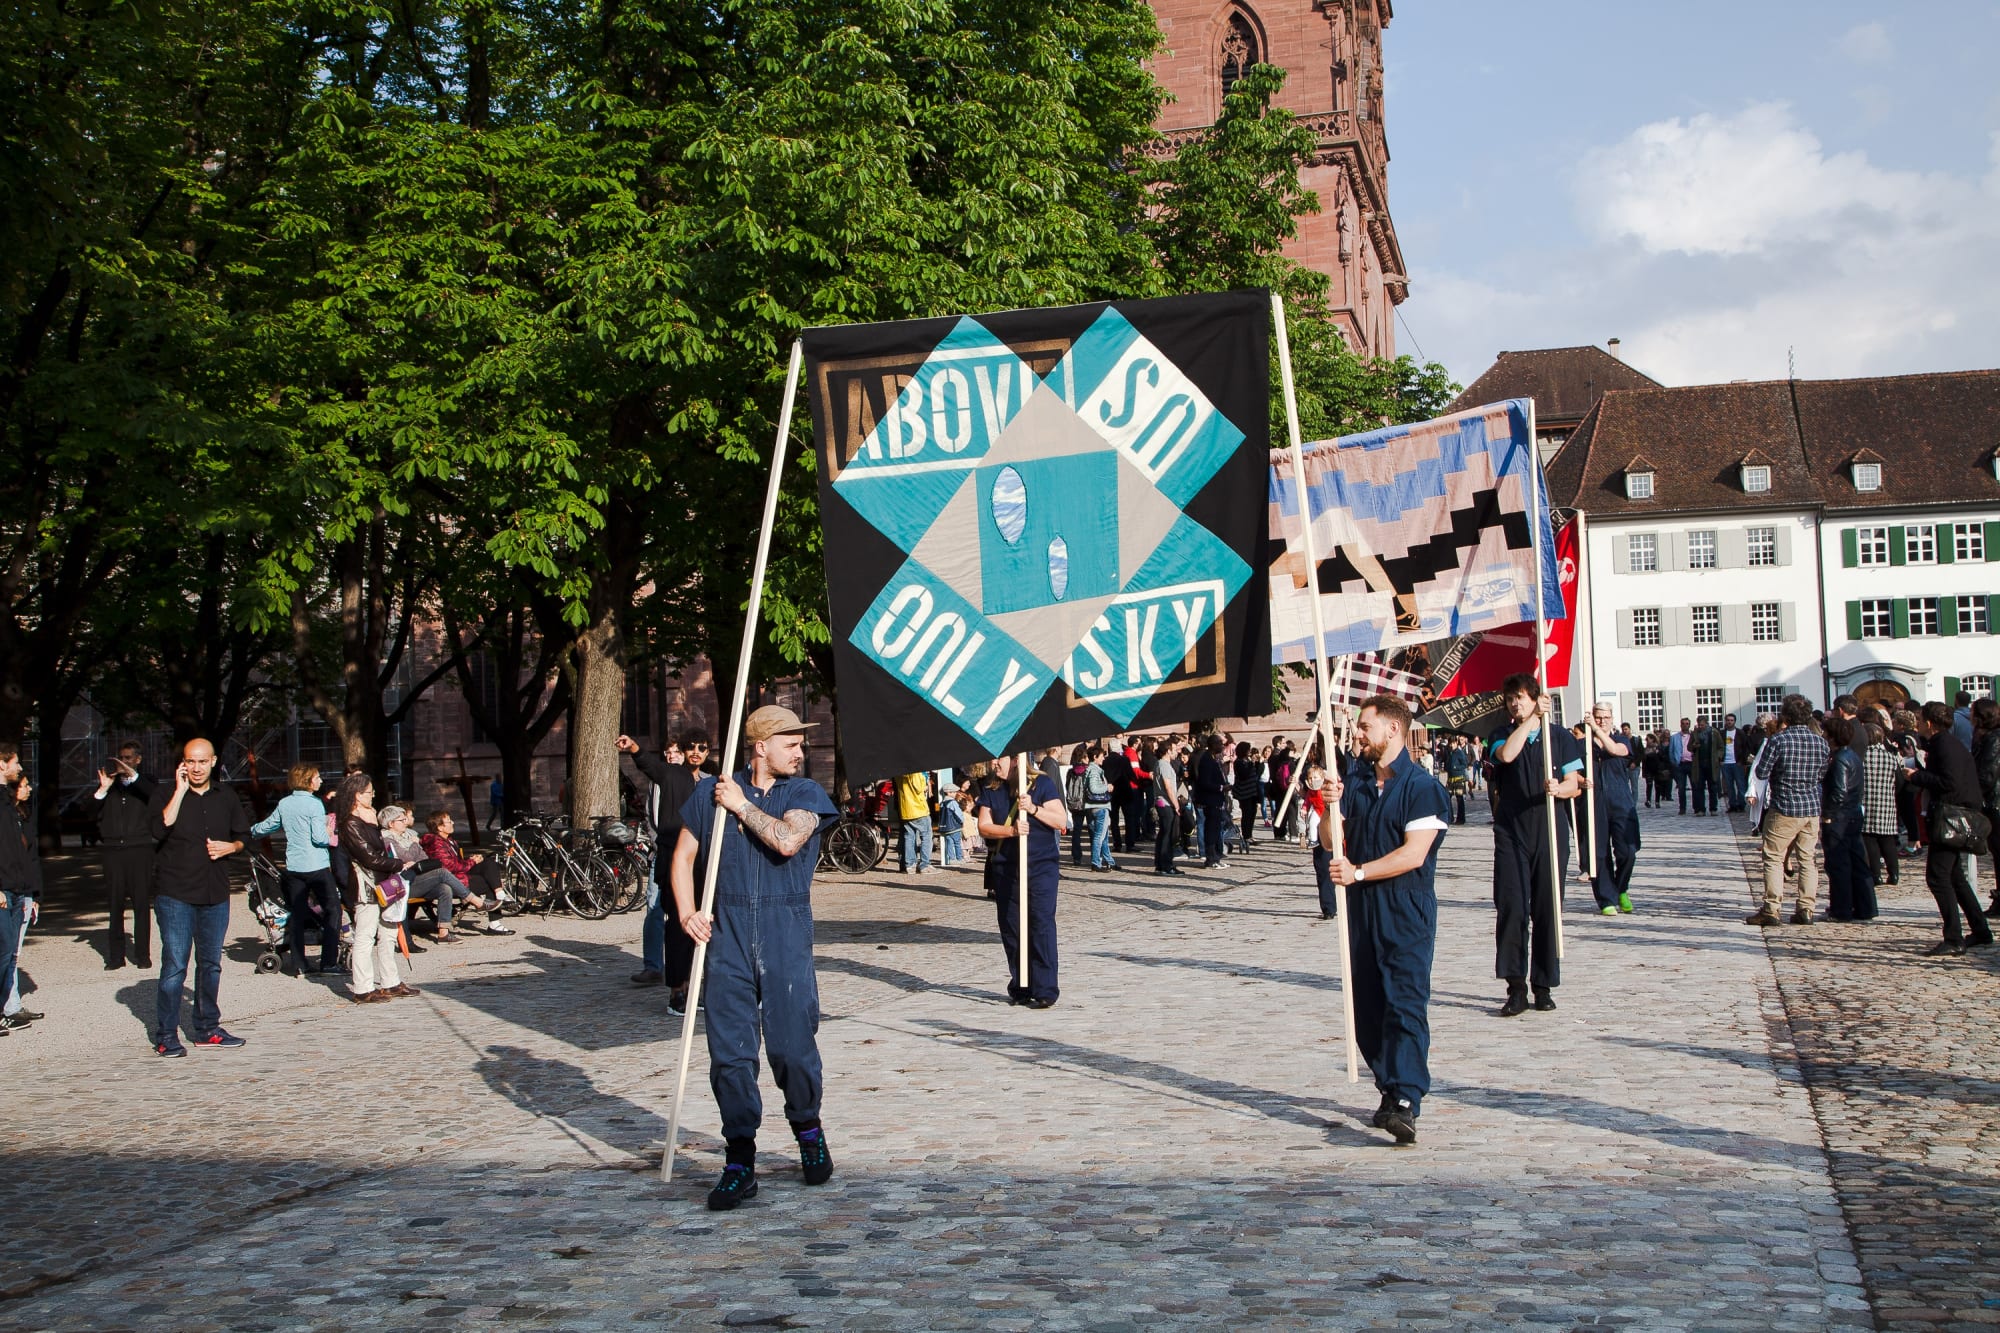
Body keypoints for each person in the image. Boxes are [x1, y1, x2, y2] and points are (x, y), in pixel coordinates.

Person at [670, 705, 839, 1211]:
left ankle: (807, 1131)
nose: (800, 750)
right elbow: (682, 858)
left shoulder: (804, 793)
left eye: (801, 743)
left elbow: (788, 841)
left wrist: (741, 806)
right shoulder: (710, 793)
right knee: (731, 1055)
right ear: (761, 746)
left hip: (786, 929)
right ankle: (739, 1161)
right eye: (791, 742)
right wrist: (686, 912)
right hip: (728, 935)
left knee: (791, 1047)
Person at [1318, 695, 1450, 1145]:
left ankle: (1408, 1098)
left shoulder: (1422, 787)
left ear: (1392, 730)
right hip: (1362, 912)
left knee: (1405, 1003)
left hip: (1404, 908)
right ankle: (1390, 1087)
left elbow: (1414, 855)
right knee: (1368, 1007)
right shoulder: (1354, 781)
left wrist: (1358, 872)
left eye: (1364, 726)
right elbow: (1330, 840)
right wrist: (1328, 805)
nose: (1357, 733)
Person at [148, 738, 251, 1054]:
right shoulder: (165, 793)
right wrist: (179, 792)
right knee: (176, 964)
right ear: (182, 763)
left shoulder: (226, 795)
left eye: (202, 762)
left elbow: (243, 837)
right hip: (175, 893)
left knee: (210, 964)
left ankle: (207, 1027)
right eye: (190, 761)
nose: (195, 768)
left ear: (213, 761)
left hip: (215, 892)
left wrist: (230, 847)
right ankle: (166, 1034)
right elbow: (159, 829)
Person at [1488, 674, 1582, 1016]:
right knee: (1512, 907)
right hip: (1512, 831)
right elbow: (1508, 756)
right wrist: (1528, 721)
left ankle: (1543, 984)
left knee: (1547, 908)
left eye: (1522, 698)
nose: (1515, 703)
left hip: (1550, 829)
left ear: (1536, 697)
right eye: (1511, 699)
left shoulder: (1560, 739)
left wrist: (1561, 789)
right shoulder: (1501, 734)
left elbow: (1576, 784)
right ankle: (1515, 987)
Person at [976, 752, 1066, 1007]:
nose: (994, 764)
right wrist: (1011, 831)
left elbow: (1060, 820)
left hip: (1041, 866)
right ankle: (1021, 986)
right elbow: (984, 825)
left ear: (1016, 759)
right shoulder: (992, 788)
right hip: (1007, 868)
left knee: (1041, 923)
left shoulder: (1041, 784)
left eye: (999, 759)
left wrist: (1034, 809)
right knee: (1012, 927)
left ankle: (1046, 989)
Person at [1905, 700, 1993, 955]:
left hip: (1951, 818)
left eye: (1921, 720)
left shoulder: (1944, 745)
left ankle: (1953, 937)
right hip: (1951, 815)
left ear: (1930, 723)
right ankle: (1980, 930)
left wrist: (1916, 776)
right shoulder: (1944, 743)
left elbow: (1949, 782)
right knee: (1955, 877)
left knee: (1938, 877)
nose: (1918, 724)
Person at [620, 733, 701, 1008]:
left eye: (702, 748)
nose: (695, 752)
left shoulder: (708, 781)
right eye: (690, 747)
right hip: (670, 856)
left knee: (697, 924)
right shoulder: (670, 775)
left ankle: (691, 987)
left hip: (698, 860)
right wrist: (634, 748)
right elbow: (648, 765)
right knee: (676, 923)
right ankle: (676, 991)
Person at [1746, 695, 1830, 927]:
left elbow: (1761, 772)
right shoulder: (1820, 742)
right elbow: (1822, 773)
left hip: (1785, 805)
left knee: (1773, 856)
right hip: (1811, 807)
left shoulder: (1779, 740)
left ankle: (1772, 909)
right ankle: (1806, 908)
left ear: (1787, 716)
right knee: (1807, 859)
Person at [249, 764, 340, 974]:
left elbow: (268, 825)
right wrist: (328, 831)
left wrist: (249, 832)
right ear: (308, 780)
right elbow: (318, 838)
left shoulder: (285, 803)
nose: (320, 781)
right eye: (317, 777)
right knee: (333, 909)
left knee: (297, 915)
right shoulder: (315, 804)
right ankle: (328, 962)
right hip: (316, 864)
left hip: (295, 866)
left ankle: (299, 963)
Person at [333, 773, 414, 1004]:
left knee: (388, 933)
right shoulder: (350, 823)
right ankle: (363, 987)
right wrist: (399, 864)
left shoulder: (368, 819)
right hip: (365, 884)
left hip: (383, 880)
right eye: (369, 792)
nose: (373, 795)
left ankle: (390, 981)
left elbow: (379, 850)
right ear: (357, 796)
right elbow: (368, 857)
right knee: (366, 935)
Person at [94, 741, 158, 969]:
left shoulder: (146, 782)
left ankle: (142, 955)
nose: (124, 762)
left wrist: (132, 775)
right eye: (121, 757)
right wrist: (102, 789)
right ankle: (116, 956)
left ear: (138, 760)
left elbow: (155, 796)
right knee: (115, 904)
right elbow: (90, 813)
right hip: (113, 852)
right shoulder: (111, 786)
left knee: (141, 904)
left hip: (139, 850)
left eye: (129, 758)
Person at [380, 805, 477, 943]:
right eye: (402, 820)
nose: (406, 822)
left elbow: (424, 858)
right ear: (391, 824)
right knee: (442, 872)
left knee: (445, 888)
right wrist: (414, 846)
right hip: (403, 883)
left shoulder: (410, 835)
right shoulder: (388, 839)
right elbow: (405, 857)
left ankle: (443, 932)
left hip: (417, 877)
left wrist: (413, 857)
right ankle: (473, 899)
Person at [0, 745, 42, 1038]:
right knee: (3, 953)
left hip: (16, 887)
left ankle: (8, 1008)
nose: (20, 768)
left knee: (9, 954)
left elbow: (21, 851)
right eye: (15, 763)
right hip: (4, 889)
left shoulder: (7, 802)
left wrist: (30, 892)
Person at [1584, 703, 1640, 916]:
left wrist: (1596, 730)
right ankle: (1606, 898)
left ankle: (1621, 887)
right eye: (1598, 717)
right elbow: (1571, 769)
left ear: (1612, 718)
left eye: (1606, 717)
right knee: (1598, 853)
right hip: (1594, 801)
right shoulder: (1585, 745)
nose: (1602, 721)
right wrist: (1581, 780)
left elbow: (1616, 751)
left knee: (1628, 851)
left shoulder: (1622, 740)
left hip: (1620, 801)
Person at [1821, 718, 1876, 922]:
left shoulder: (1840, 758)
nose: (1824, 737)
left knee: (1839, 865)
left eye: (1826, 734)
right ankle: (1865, 907)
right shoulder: (1852, 756)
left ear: (1833, 737)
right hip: (1853, 813)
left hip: (1840, 817)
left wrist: (1827, 814)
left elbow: (1839, 791)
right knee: (1857, 862)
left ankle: (1841, 909)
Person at [418, 811, 509, 933]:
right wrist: (472, 862)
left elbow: (456, 863)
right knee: (489, 882)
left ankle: (499, 892)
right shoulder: (435, 843)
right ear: (440, 827)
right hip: (451, 880)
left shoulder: (448, 840)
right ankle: (495, 923)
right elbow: (449, 866)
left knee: (488, 863)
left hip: (459, 874)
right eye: (449, 821)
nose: (453, 823)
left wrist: (472, 860)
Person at [1860, 724, 1905, 890]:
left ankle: (1876, 874)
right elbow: (1900, 781)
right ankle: (1894, 874)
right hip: (1886, 802)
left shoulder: (1862, 756)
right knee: (1887, 840)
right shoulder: (1890, 756)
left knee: (1870, 839)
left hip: (1866, 802)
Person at [1191, 735, 1231, 869]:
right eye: (1220, 743)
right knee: (1211, 830)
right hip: (1210, 800)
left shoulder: (1215, 759)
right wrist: (1221, 787)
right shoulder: (1206, 760)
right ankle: (1211, 858)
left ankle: (1216, 857)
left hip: (1217, 799)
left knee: (1216, 829)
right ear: (1213, 745)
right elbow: (1204, 782)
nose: (1222, 746)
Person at [1152, 740, 1187, 875]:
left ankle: (1160, 864)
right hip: (1166, 803)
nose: (1176, 752)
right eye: (1173, 749)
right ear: (1167, 751)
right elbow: (1168, 787)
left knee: (1163, 833)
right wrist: (1176, 804)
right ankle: (1166, 864)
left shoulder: (1160, 764)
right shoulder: (1164, 765)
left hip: (1162, 802)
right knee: (1168, 834)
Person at [1082, 747, 1115, 872]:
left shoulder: (1090, 769)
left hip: (1092, 807)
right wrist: (1107, 787)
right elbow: (1094, 788)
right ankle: (1096, 863)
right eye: (1101, 756)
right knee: (1099, 836)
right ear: (1095, 757)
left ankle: (1109, 861)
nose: (1103, 758)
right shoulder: (1094, 770)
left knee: (1103, 836)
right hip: (1099, 807)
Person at [894, 769, 933, 875]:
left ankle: (910, 865)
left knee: (909, 837)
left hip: (905, 809)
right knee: (926, 836)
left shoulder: (898, 773)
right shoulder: (915, 772)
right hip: (918, 809)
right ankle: (925, 864)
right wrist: (925, 783)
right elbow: (918, 788)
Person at [1441, 739, 1471, 826]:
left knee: (1459, 799)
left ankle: (1461, 819)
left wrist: (1455, 767)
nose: (1451, 745)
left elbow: (1465, 764)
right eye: (1451, 743)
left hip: (1459, 778)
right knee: (1447, 797)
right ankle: (1450, 817)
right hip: (1450, 778)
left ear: (1456, 744)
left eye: (1453, 743)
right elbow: (1446, 762)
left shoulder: (1459, 752)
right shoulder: (1449, 752)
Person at [1720, 714, 1746, 813]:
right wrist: (1720, 759)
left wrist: (1741, 761)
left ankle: (1741, 804)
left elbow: (1745, 748)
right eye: (1728, 720)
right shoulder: (1722, 733)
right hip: (1725, 763)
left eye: (1731, 720)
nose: (1729, 722)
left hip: (1737, 762)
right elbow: (1718, 747)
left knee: (1740, 785)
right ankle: (1732, 805)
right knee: (1729, 786)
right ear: (1725, 721)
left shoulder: (1740, 733)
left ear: (1734, 721)